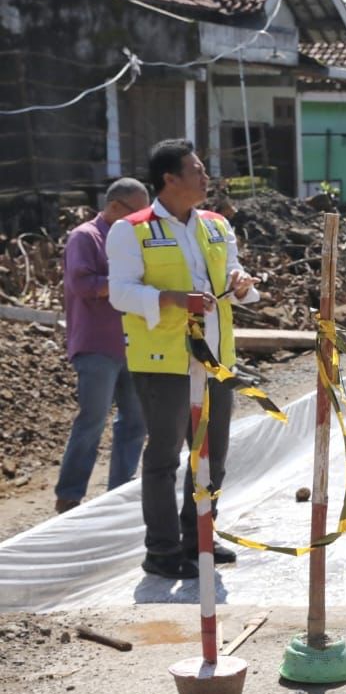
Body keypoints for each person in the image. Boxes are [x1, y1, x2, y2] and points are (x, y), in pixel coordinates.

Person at [106, 140, 258, 580]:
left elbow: (235, 274)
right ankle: (162, 550)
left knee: (213, 456)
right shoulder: (131, 229)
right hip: (163, 360)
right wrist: (171, 298)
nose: (205, 176)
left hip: (215, 359)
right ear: (169, 179)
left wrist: (243, 284)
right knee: (165, 456)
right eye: (196, 170)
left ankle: (200, 539)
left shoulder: (214, 225)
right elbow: (121, 293)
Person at [53, 178, 149, 514]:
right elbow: (82, 283)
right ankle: (70, 496)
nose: (142, 220)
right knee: (92, 419)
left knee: (136, 420)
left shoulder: (134, 239)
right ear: (115, 207)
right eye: (138, 212)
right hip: (96, 344)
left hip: (132, 343)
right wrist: (123, 286)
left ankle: (118, 495)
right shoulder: (86, 237)